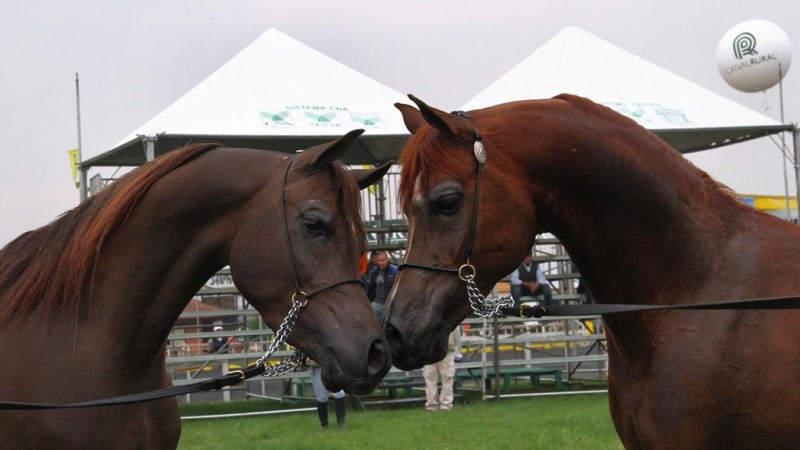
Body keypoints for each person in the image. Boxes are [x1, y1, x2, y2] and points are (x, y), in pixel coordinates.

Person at [422, 330, 458, 411]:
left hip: (431, 348)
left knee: (431, 378)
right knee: (447, 377)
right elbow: (456, 330)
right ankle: (445, 404)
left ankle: (432, 404)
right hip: (446, 347)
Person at [307, 358, 346, 430]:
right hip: (316, 365)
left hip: (334, 365)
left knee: (339, 393)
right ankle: (324, 425)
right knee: (322, 397)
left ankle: (341, 423)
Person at [365, 250, 397, 317]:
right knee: (369, 314)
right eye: (379, 261)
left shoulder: (395, 271)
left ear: (388, 260)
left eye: (383, 260)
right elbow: (369, 288)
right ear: (377, 261)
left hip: (393, 304)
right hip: (377, 303)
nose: (381, 263)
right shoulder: (373, 272)